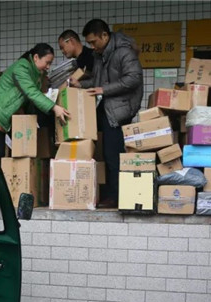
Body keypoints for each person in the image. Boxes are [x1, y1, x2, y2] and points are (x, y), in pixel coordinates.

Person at [72, 19, 143, 208]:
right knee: (105, 151)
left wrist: (104, 90)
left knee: (113, 154)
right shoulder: (100, 54)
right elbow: (98, 81)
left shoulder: (124, 52)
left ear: (105, 35)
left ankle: (116, 196)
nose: (91, 46)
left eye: (93, 42)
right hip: (107, 107)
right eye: (89, 43)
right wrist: (81, 84)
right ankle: (107, 192)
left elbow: (133, 79)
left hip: (120, 110)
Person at [0, 43, 70, 161]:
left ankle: (17, 171)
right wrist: (54, 108)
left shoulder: (36, 73)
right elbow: (31, 92)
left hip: (10, 112)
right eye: (47, 62)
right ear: (36, 57)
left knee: (21, 148)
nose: (48, 67)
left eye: (50, 63)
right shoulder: (21, 67)